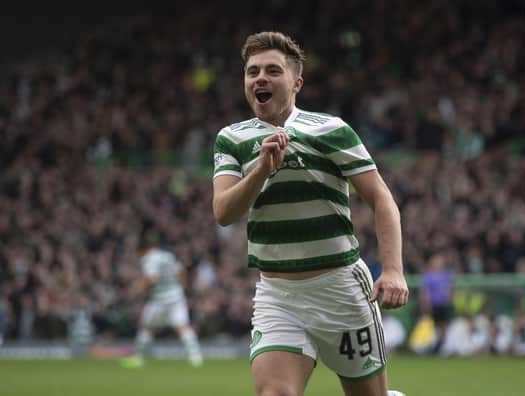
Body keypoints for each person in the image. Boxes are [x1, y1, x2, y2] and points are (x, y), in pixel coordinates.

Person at [212, 31, 408, 396]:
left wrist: (393, 270)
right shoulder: (232, 139)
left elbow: (382, 199)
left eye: (272, 70)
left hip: (340, 292)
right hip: (279, 294)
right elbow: (224, 212)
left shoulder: (331, 130)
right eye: (252, 71)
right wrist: (261, 170)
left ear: (296, 82)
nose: (260, 78)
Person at [121, 232, 203, 368]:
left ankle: (138, 358)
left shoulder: (149, 259)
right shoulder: (167, 256)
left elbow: (152, 278)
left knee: (146, 327)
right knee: (183, 327)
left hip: (159, 299)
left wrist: (137, 288)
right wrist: (182, 286)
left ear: (143, 249)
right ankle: (196, 358)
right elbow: (181, 271)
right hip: (177, 296)